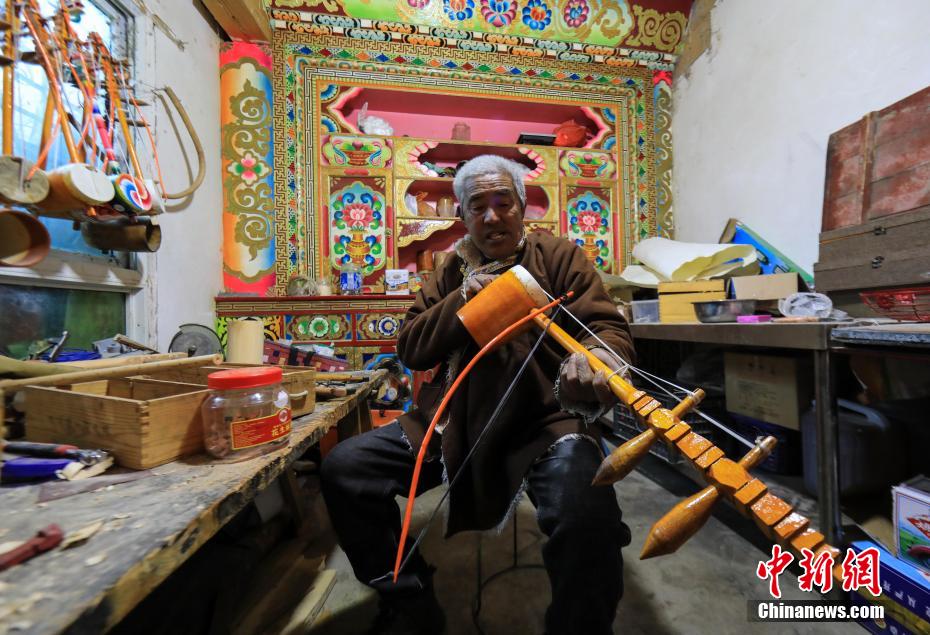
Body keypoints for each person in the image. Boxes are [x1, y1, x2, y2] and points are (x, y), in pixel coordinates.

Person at [321, 155, 635, 635]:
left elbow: (607, 327)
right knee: (346, 468)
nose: (492, 217)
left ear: (522, 208)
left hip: (546, 422)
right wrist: (464, 299)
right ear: (462, 216)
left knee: (586, 515)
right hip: (453, 423)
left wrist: (597, 356)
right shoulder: (451, 271)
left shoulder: (558, 256)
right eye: (477, 206)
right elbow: (411, 347)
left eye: (503, 203)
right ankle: (410, 601)